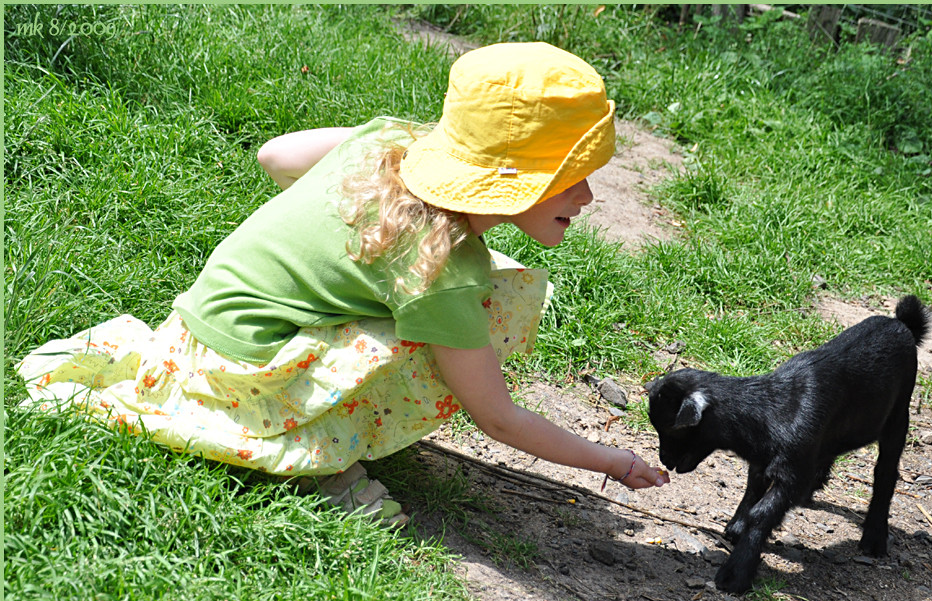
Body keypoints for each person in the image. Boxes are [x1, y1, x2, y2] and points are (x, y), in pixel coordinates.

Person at [17, 42, 669, 527]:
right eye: (568, 177)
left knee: (466, 298)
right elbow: (495, 414)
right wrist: (610, 461)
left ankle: (288, 406)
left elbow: (276, 154)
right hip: (239, 371)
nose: (586, 196)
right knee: (462, 321)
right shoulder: (437, 269)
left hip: (195, 326)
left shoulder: (388, 141)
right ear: (509, 182)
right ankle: (309, 461)